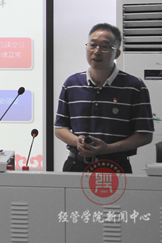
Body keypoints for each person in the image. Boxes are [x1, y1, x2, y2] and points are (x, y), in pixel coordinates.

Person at [54, 23, 154, 173]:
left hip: (116, 167)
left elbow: (144, 135)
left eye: (105, 47)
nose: (97, 51)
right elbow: (60, 128)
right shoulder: (72, 84)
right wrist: (77, 141)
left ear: (117, 53)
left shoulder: (134, 86)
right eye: (92, 45)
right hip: (76, 166)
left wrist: (108, 148)